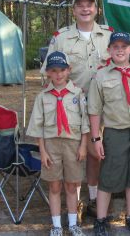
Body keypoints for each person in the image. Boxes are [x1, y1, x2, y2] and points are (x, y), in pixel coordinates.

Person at [41, 0, 113, 221]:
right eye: (80, 6)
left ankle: (93, 198)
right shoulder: (61, 37)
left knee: (96, 155)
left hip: (103, 107)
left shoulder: (108, 35)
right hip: (73, 106)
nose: (85, 9)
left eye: (89, 5)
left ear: (96, 9)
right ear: (73, 10)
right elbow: (48, 73)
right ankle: (77, 203)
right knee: (74, 154)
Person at [87, 32, 130, 236]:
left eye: (124, 46)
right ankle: (101, 220)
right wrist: (96, 138)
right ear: (109, 50)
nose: (120, 50)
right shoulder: (101, 75)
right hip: (114, 132)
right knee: (108, 176)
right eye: (115, 46)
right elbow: (94, 109)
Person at [27, 51, 89, 236]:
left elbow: (85, 122)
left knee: (71, 185)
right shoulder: (42, 97)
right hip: (51, 146)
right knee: (54, 186)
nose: (59, 74)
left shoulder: (78, 93)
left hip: (73, 145)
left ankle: (72, 224)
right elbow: (37, 127)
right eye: (54, 70)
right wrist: (42, 151)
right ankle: (56, 226)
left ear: (69, 70)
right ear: (48, 73)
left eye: (62, 70)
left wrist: (84, 146)